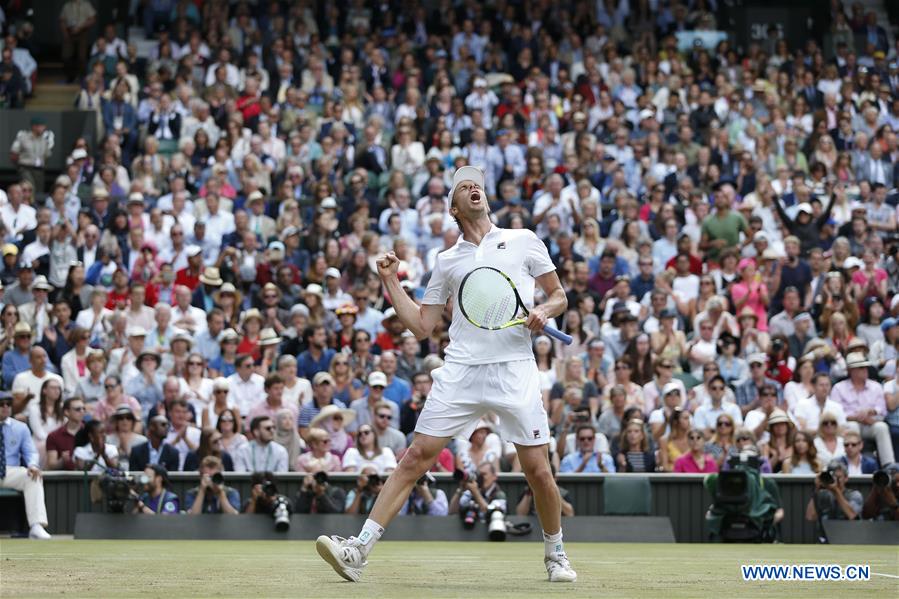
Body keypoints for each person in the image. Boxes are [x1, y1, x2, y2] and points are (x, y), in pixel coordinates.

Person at [316, 166, 577, 583]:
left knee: (538, 471)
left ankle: (555, 553)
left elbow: (559, 295)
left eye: (478, 183)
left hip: (514, 370)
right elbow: (422, 325)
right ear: (454, 208)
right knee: (415, 458)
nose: (474, 187)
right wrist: (390, 281)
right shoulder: (447, 260)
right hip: (460, 371)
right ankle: (357, 550)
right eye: (464, 187)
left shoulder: (525, 240)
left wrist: (544, 310)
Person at [0, 392, 52, 538]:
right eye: (1, 404)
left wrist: (33, 465)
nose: (5, 407)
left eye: (8, 404)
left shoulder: (21, 428)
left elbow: (30, 451)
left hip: (10, 471)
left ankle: (36, 526)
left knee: (32, 476)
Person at [829, 352, 894, 466]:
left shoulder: (876, 386)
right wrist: (856, 417)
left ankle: (889, 467)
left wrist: (871, 412)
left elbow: (882, 411)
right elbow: (835, 413)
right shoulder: (838, 388)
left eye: (865, 367)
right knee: (853, 426)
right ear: (850, 371)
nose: (865, 370)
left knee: (882, 427)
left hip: (871, 423)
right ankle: (855, 464)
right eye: (860, 367)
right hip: (849, 424)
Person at [806, 460, 863, 536]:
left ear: (846, 478)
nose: (835, 480)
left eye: (838, 477)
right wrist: (817, 489)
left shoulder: (854, 495)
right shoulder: (823, 495)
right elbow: (810, 517)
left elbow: (852, 516)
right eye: (833, 477)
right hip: (826, 539)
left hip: (848, 537)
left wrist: (836, 490)